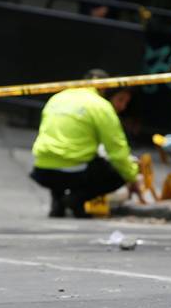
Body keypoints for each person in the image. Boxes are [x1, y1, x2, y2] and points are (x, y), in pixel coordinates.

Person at [30, 78, 143, 218]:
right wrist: (132, 177)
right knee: (119, 170)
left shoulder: (57, 98)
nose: (123, 107)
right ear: (105, 90)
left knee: (66, 156)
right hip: (74, 171)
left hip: (41, 169)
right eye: (121, 100)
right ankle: (76, 199)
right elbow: (117, 152)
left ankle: (58, 200)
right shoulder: (101, 106)